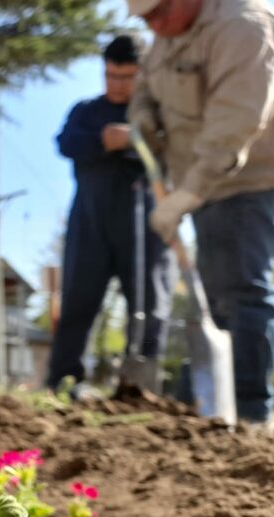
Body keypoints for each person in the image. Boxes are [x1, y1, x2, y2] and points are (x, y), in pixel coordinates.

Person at [127, 0, 274, 424]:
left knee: (243, 291)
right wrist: (143, 119)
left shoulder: (241, 27)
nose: (153, 25)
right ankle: (210, 409)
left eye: (158, 13)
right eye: (146, 19)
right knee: (213, 298)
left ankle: (249, 413)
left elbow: (235, 124)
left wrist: (183, 197)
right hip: (200, 186)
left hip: (248, 181)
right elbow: (143, 92)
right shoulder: (167, 32)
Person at [45, 35, 176, 394]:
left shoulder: (157, 113)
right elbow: (65, 144)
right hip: (90, 220)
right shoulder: (86, 111)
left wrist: (138, 138)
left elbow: (175, 153)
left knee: (151, 301)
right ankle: (64, 381)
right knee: (78, 300)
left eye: (127, 77)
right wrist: (105, 140)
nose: (118, 85)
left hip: (146, 219)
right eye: (111, 76)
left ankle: (142, 384)